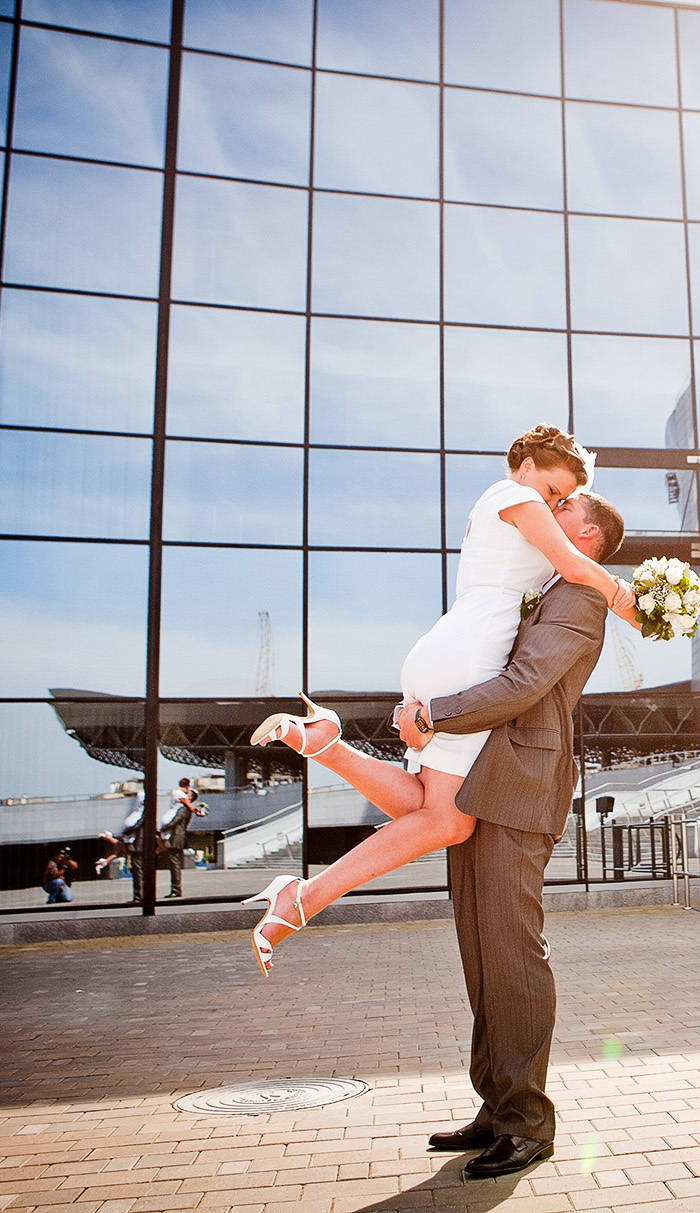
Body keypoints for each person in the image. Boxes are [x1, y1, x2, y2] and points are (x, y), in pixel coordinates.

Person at [245, 487, 625, 1180]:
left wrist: (433, 716)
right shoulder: (542, 587)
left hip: (519, 791)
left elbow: (524, 683)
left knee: (513, 957)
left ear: (589, 535)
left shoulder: (580, 596)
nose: (552, 509)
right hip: (482, 782)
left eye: (566, 506)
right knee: (481, 957)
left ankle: (528, 1123)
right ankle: (496, 1106)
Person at [242, 425, 635, 978]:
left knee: (433, 809)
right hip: (470, 657)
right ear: (526, 466)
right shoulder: (516, 495)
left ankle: (326, 748)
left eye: (563, 499)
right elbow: (575, 567)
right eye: (554, 491)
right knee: (449, 822)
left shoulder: (508, 506)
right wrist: (635, 603)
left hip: (449, 647)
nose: (552, 504)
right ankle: (304, 898)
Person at [160, 778, 197, 898]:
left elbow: (174, 822)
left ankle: (176, 889)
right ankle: (175, 889)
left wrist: (161, 830)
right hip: (176, 837)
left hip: (175, 838)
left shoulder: (183, 809)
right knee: (173, 863)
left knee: (174, 864)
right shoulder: (182, 808)